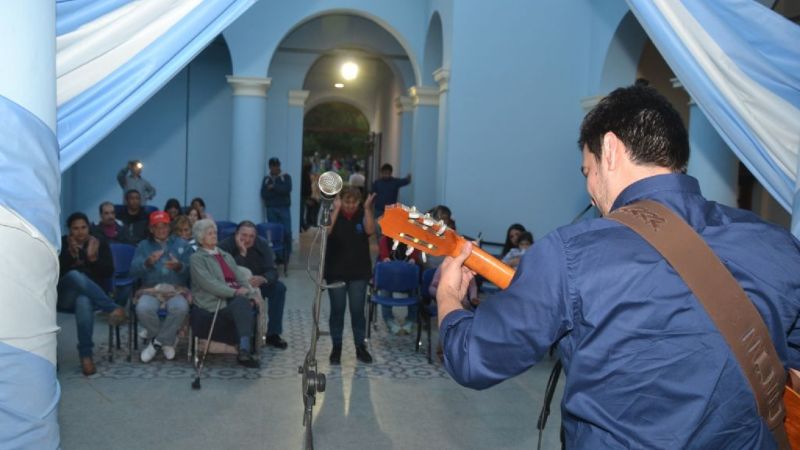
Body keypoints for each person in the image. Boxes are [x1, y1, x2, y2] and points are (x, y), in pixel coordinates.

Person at [436, 84, 800, 449]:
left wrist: (449, 297)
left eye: (586, 171)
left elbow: (473, 358)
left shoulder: (571, 254)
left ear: (609, 149)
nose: (591, 192)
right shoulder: (778, 246)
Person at [57, 212, 126, 375]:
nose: (80, 232)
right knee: (74, 276)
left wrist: (93, 259)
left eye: (83, 227)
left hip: (92, 295)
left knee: (84, 300)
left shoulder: (98, 243)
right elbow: (55, 273)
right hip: (65, 296)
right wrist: (70, 255)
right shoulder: (62, 244)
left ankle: (85, 355)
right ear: (69, 230)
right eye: (75, 228)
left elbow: (108, 272)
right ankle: (111, 307)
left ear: (89, 228)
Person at [189, 219, 260, 368]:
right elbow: (210, 284)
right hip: (214, 302)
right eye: (209, 234)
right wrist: (236, 292)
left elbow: (240, 278)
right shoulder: (196, 259)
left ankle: (244, 349)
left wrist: (252, 293)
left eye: (215, 232)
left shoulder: (224, 255)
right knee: (241, 301)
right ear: (200, 238)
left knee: (243, 302)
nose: (214, 236)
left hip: (233, 298)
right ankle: (244, 349)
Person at [130, 211, 191, 363]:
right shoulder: (143, 246)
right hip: (151, 289)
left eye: (165, 226)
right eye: (157, 227)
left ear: (170, 227)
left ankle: (156, 343)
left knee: (181, 308)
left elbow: (192, 271)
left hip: (176, 289)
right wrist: (147, 263)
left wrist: (179, 267)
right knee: (143, 309)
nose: (161, 230)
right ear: (151, 229)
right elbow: (133, 270)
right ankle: (167, 341)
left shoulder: (182, 244)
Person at [325, 187, 376, 365]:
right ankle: (336, 347)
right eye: (347, 202)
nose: (350, 205)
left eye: (354, 202)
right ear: (341, 201)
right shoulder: (333, 213)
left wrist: (368, 208)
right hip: (335, 271)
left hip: (358, 272)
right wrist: (336, 208)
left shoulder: (363, 213)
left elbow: (370, 230)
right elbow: (326, 232)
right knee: (337, 311)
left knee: (357, 312)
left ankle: (360, 347)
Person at [219, 220, 288, 349]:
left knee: (279, 288)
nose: (247, 239)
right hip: (234, 286)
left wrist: (264, 278)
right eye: (244, 235)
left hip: (257, 284)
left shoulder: (262, 245)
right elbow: (226, 272)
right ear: (236, 234)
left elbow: (272, 270)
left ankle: (273, 334)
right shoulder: (225, 246)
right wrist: (242, 253)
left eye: (251, 236)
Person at [261, 157, 292, 259]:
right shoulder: (266, 179)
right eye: (272, 166)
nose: (274, 168)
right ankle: (277, 255)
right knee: (273, 232)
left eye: (276, 166)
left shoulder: (286, 177)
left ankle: (287, 253)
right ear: (269, 167)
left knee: (286, 231)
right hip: (271, 208)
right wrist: (277, 191)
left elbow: (286, 190)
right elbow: (264, 194)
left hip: (283, 208)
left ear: (279, 166)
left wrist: (274, 188)